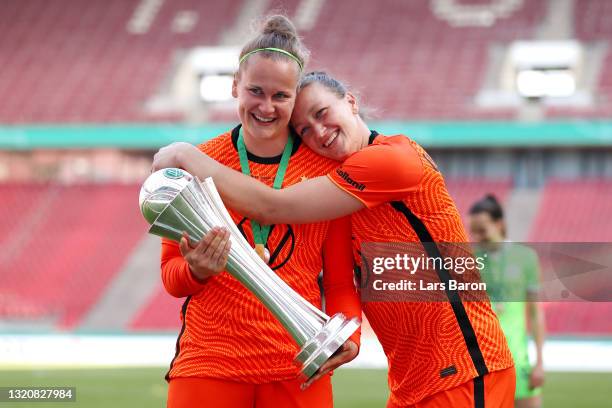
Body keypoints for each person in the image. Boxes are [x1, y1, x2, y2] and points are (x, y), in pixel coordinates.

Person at [153, 71, 516, 407]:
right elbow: (344, 278)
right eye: (305, 129)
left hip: (464, 366)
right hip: (414, 379)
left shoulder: (393, 159)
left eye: (322, 112)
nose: (318, 131)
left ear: (352, 102)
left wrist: (187, 156)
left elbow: (273, 206)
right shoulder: (343, 188)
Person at [160, 20, 361, 408]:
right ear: (235, 85)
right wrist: (197, 271)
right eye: (255, 91)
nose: (266, 107)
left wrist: (348, 337)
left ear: (295, 97)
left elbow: (338, 282)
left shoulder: (325, 171)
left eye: (281, 96)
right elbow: (172, 277)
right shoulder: (198, 164)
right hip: (209, 364)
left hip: (300, 367)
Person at [470, 194, 545, 408]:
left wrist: (539, 362)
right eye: (473, 230)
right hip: (480, 363)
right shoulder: (468, 260)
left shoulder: (526, 257)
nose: (476, 236)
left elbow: (535, 314)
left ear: (499, 224)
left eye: (482, 230)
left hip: (517, 359)